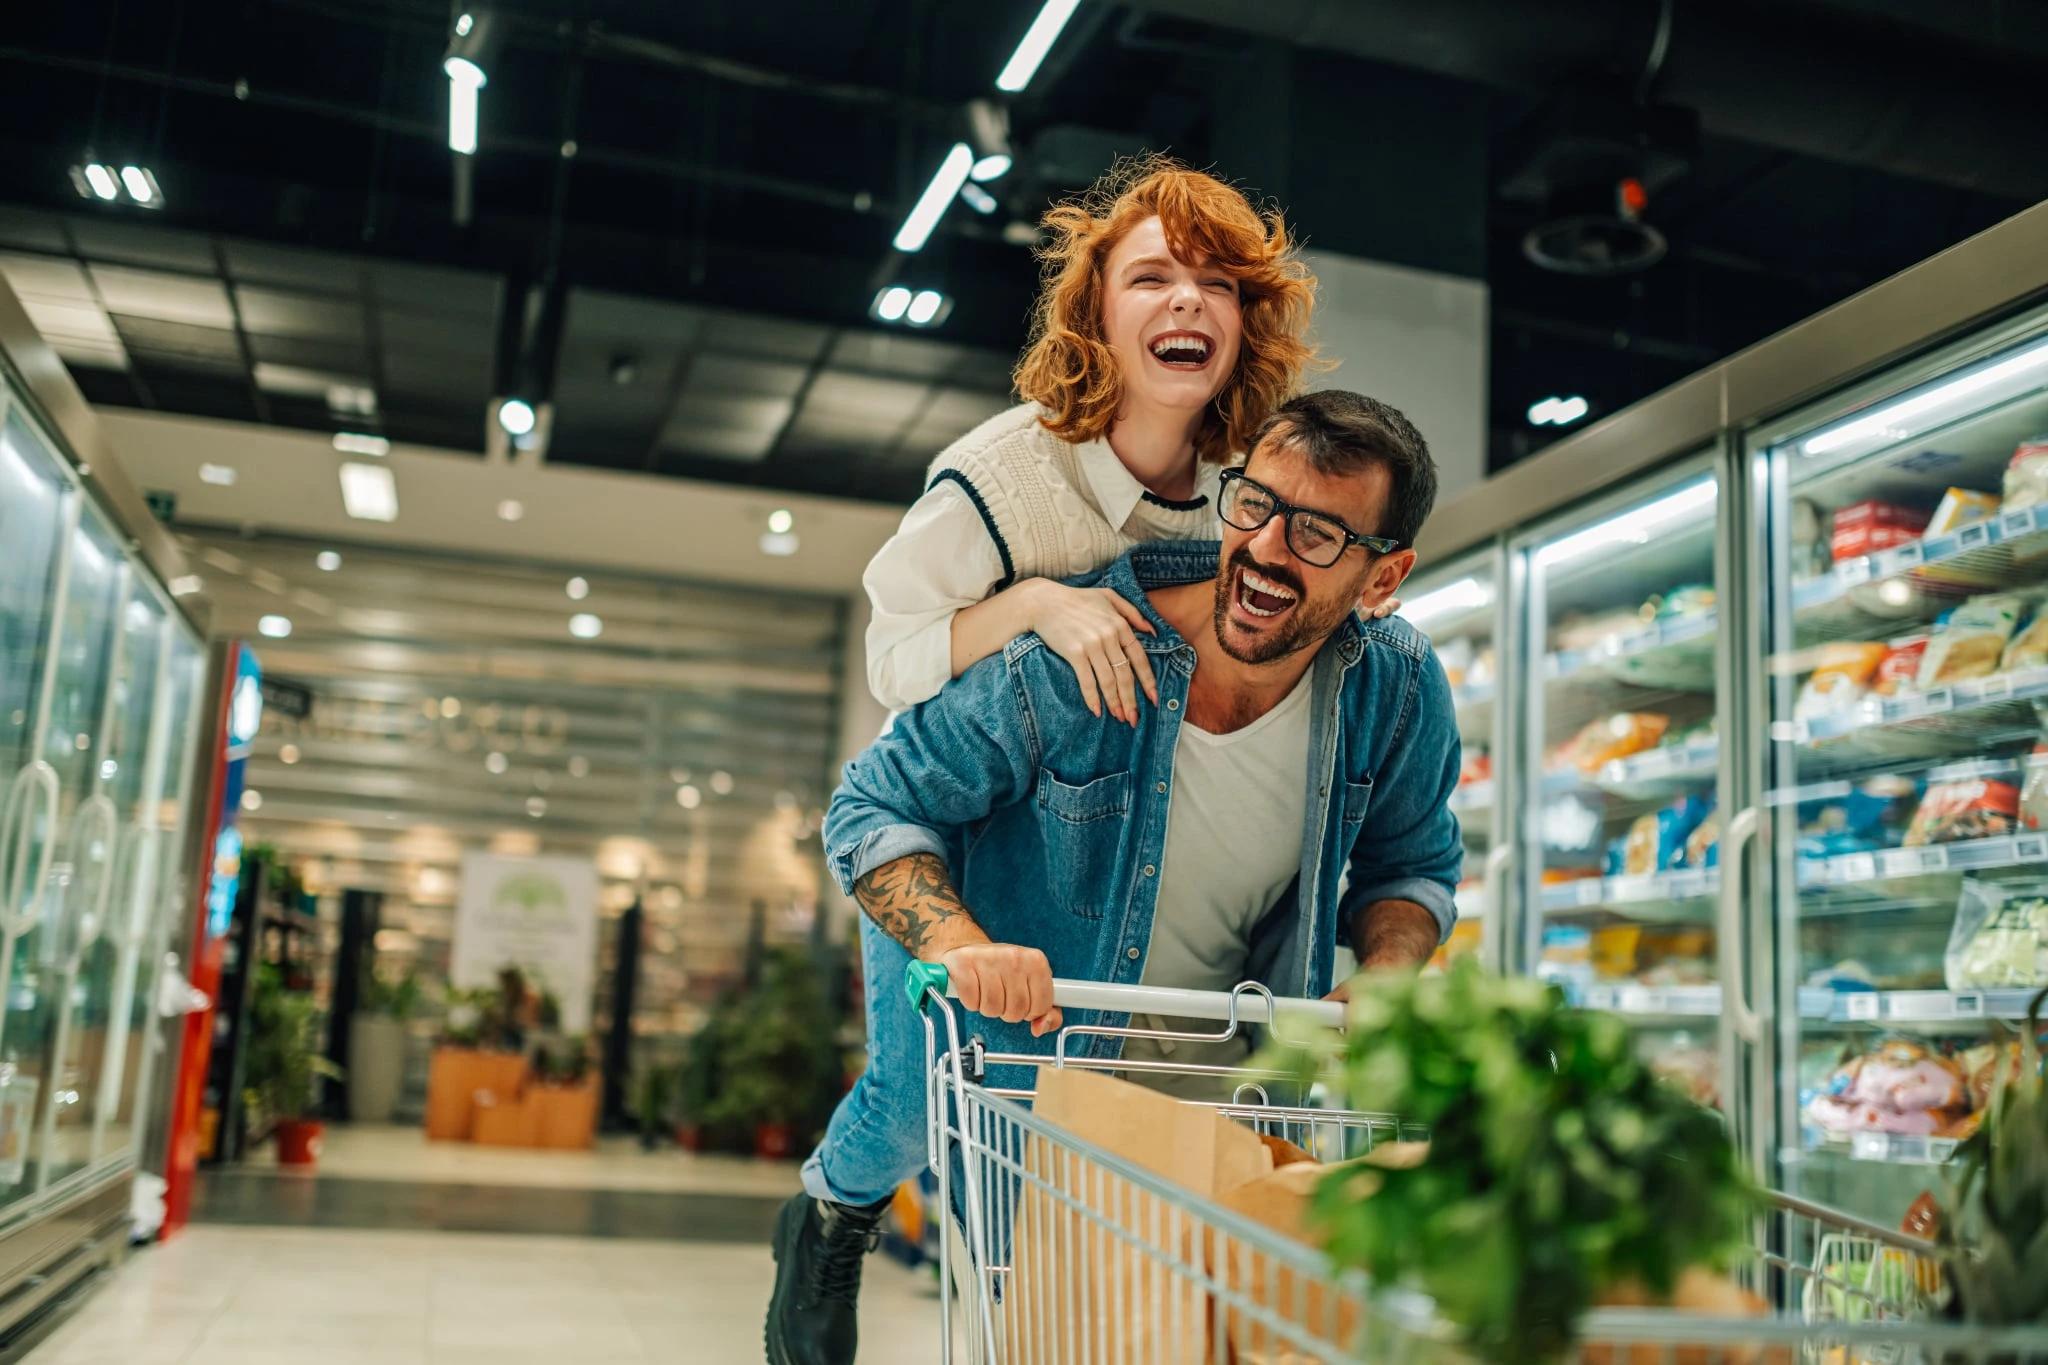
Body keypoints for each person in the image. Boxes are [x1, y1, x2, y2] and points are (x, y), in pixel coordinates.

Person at [765, 389, 1462, 1365]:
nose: (1264, 548)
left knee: (1217, 1325)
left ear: (1382, 576)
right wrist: (961, 945)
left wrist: (1388, 971)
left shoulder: (1393, 688)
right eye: (1253, 504)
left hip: (1224, 1041)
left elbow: (1412, 863)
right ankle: (830, 1218)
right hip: (1046, 1024)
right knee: (951, 1168)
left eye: (1316, 534)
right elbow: (874, 806)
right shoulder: (1086, 657)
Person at [862, 154, 1373, 728]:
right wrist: (1033, 603)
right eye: (1150, 278)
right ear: (1095, 316)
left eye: (1217, 283)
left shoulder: (1251, 480)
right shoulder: (994, 477)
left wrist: (1340, 600)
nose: (1188, 299)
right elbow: (890, 663)